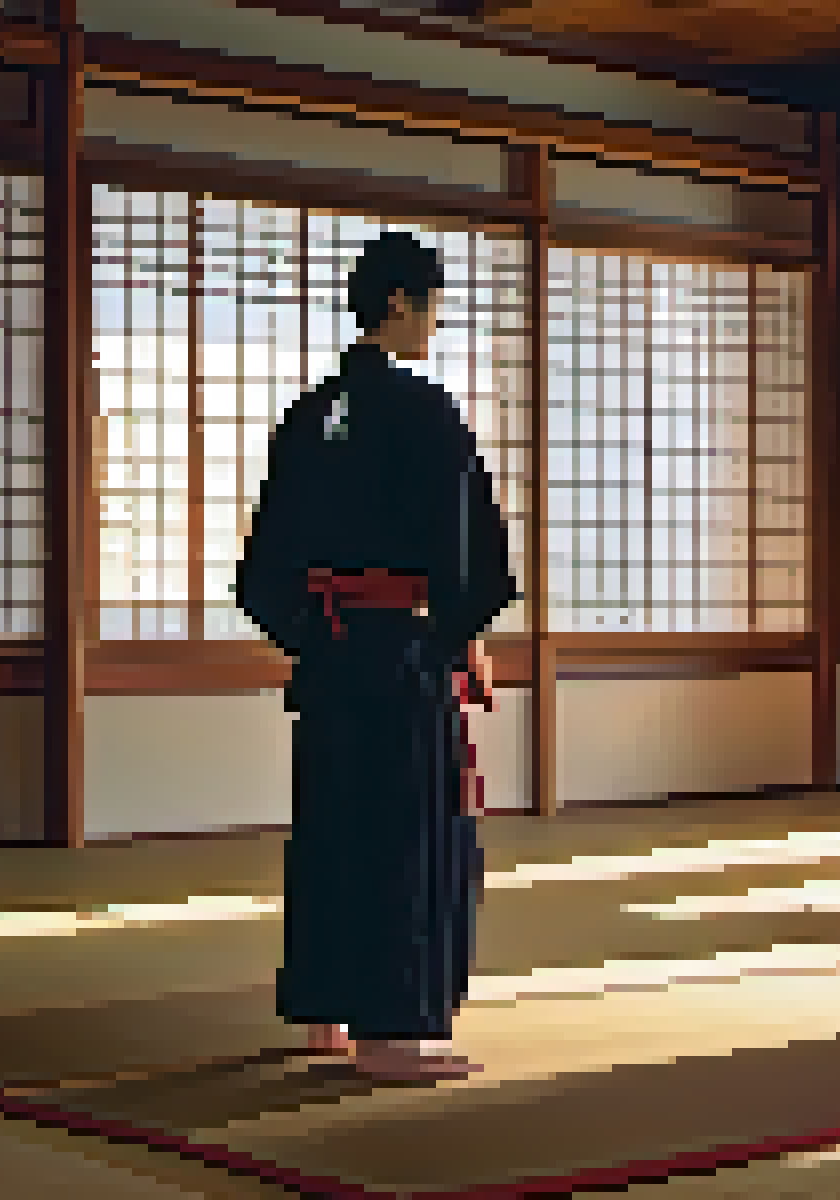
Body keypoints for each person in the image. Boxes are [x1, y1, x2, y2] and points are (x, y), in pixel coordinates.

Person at [235, 231, 518, 1080]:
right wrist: (454, 638)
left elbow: (263, 569)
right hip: (400, 659)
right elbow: (465, 557)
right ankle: (393, 1030)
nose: (434, 327)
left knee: (329, 829)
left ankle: (325, 1007)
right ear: (398, 302)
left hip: (329, 660)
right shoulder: (423, 412)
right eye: (431, 307)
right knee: (403, 833)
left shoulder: (307, 415)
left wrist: (318, 634)